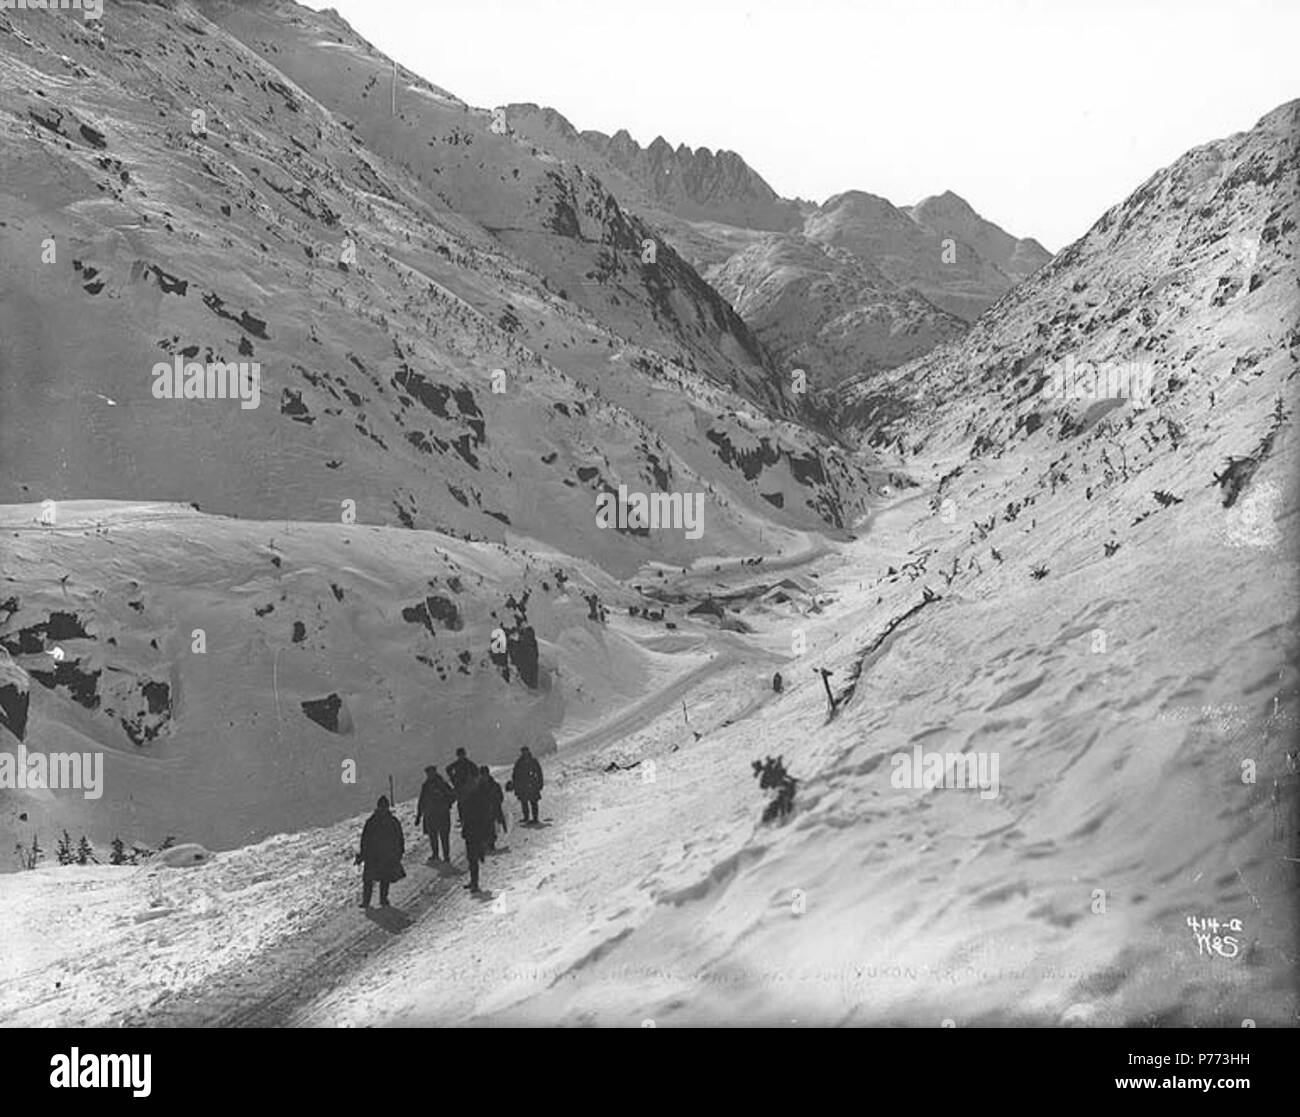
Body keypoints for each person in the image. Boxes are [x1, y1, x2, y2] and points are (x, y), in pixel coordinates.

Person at [356, 796, 405, 908]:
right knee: (380, 878)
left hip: (379, 856)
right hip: (379, 855)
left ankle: (370, 901)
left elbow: (365, 839)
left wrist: (399, 851)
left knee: (377, 878)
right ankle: (375, 900)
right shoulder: (390, 821)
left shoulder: (373, 821)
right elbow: (365, 840)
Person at [457, 769, 496, 893]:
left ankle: (475, 882)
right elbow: (463, 812)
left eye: (472, 781)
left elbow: (485, 814)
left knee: (473, 857)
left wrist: (485, 831)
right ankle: (473, 881)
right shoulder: (467, 795)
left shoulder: (479, 795)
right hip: (469, 829)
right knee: (471, 857)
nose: (470, 784)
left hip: (477, 829)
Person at [414, 765, 455, 861]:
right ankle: (436, 854)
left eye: (430, 773)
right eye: (428, 773)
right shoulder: (426, 785)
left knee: (443, 835)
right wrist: (419, 815)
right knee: (433, 836)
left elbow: (452, 795)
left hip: (441, 814)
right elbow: (422, 801)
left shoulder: (442, 784)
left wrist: (447, 804)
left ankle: (446, 855)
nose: (429, 775)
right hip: (431, 815)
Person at [511, 746, 544, 825]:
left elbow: (539, 773)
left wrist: (540, 783)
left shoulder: (533, 761)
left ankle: (535, 818)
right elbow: (515, 775)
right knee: (524, 802)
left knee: (534, 802)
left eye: (526, 751)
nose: (525, 753)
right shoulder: (519, 762)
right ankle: (526, 817)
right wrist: (516, 785)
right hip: (523, 785)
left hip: (533, 784)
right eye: (523, 752)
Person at [479, 765, 507, 850]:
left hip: (493, 808)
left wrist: (495, 803)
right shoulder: (478, 787)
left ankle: (491, 844)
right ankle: (485, 843)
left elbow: (500, 797)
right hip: (482, 809)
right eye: (482, 774)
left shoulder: (494, 785)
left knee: (491, 827)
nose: (484, 776)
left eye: (485, 774)